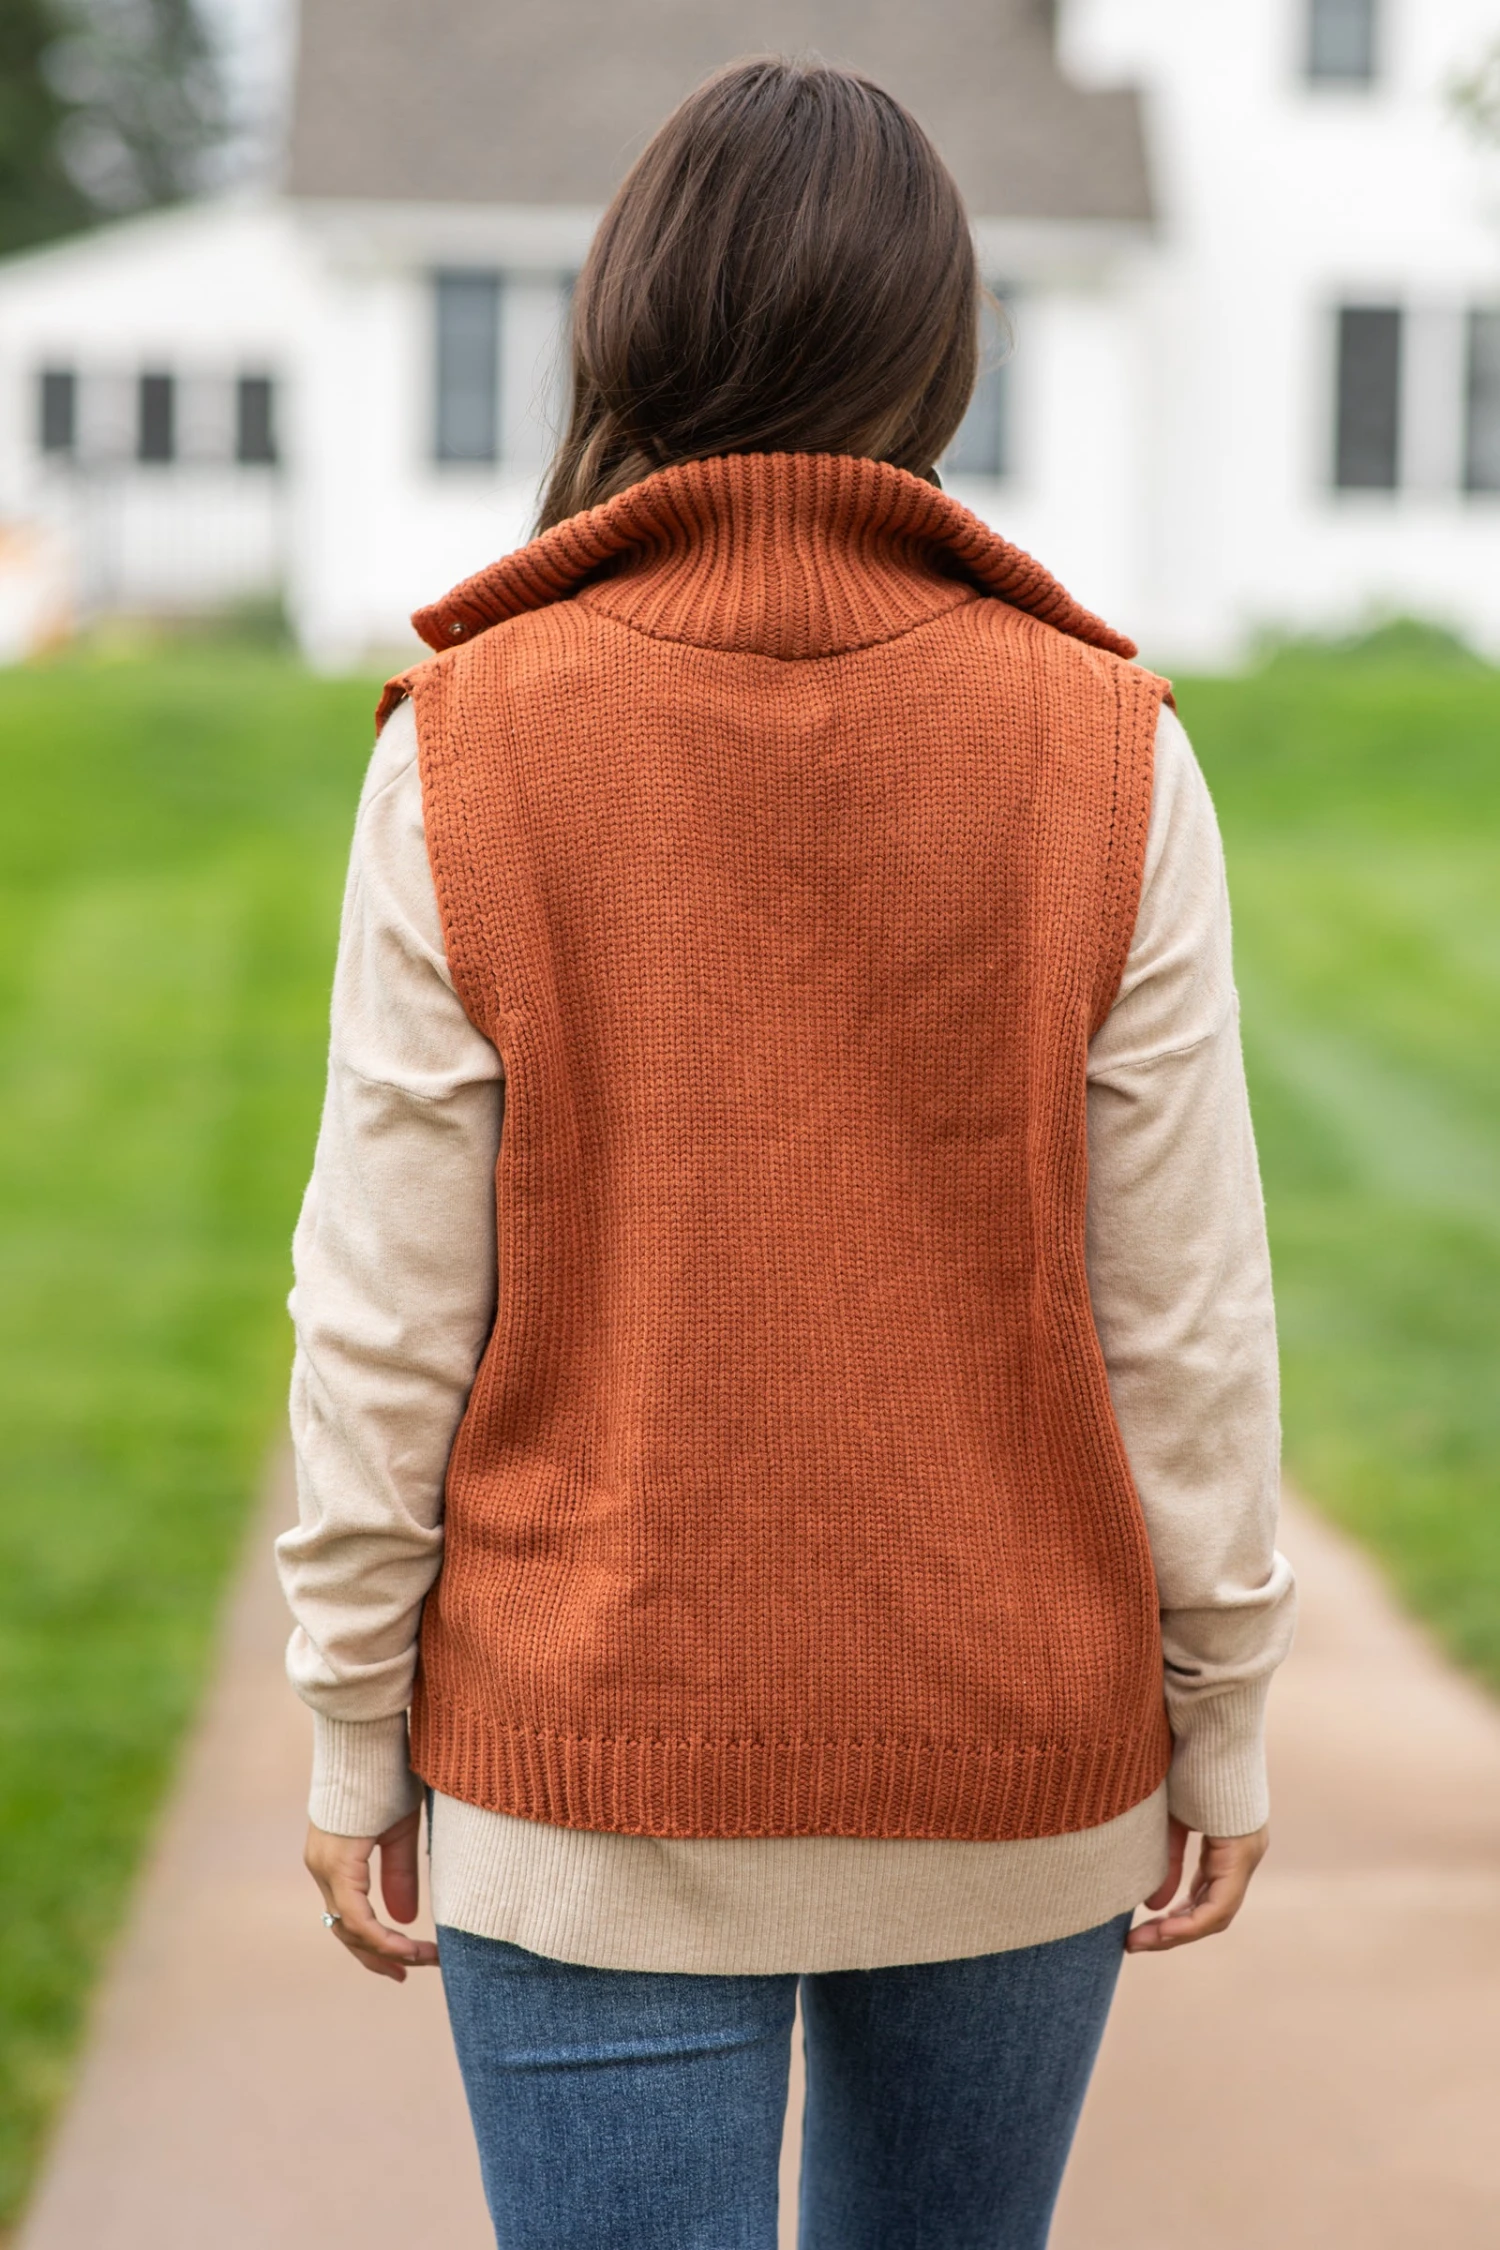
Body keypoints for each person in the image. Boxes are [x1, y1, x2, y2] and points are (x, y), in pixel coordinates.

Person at [276, 55, 1296, 2250]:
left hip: (592, 1757)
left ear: (628, 321)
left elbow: (386, 1306)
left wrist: (354, 1714)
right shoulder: (1108, 745)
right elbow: (1183, 1301)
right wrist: (1223, 1708)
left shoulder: (471, 740)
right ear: (943, 347)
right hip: (1008, 1754)